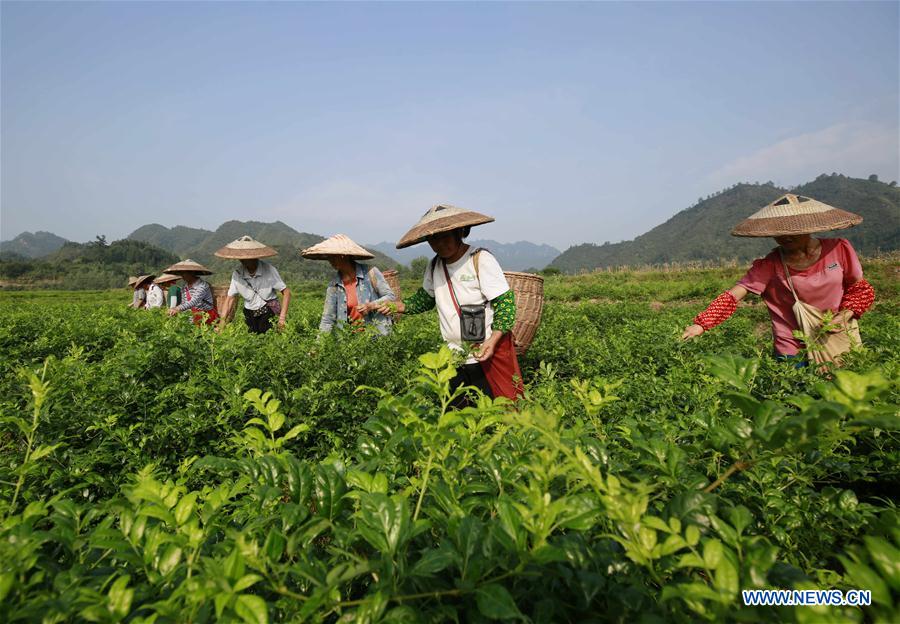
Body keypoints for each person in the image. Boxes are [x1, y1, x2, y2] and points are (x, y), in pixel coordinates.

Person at [682, 194, 875, 363]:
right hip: (792, 348)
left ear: (808, 227)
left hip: (834, 336)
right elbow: (735, 294)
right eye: (777, 232)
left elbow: (860, 289)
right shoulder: (770, 264)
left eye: (790, 230)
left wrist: (844, 316)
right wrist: (702, 324)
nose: (783, 236)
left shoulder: (838, 249)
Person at [377, 204, 523, 401]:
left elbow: (505, 303)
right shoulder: (434, 265)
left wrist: (493, 339)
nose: (439, 244)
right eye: (433, 239)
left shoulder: (479, 259)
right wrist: (395, 306)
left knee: (497, 408)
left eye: (444, 237)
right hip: (454, 356)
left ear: (459, 232)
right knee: (459, 411)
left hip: (486, 352)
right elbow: (424, 300)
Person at [301, 234, 395, 335]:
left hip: (378, 336)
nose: (330, 260)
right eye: (329, 257)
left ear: (344, 256)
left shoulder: (370, 272)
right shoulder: (334, 286)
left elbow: (391, 297)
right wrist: (318, 346)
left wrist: (371, 306)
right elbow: (327, 319)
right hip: (351, 343)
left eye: (334, 256)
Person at [214, 236, 292, 334]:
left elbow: (286, 292)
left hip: (268, 310)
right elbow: (230, 299)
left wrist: (282, 318)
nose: (243, 260)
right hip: (249, 313)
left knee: (268, 339)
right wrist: (222, 322)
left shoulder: (268, 269)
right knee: (252, 340)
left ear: (255, 257)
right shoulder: (237, 274)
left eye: (247, 257)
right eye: (241, 258)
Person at [163, 259, 219, 326]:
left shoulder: (203, 285)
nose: (182, 276)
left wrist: (178, 308)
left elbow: (194, 301)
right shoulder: (185, 287)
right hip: (193, 316)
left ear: (192, 273)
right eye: (181, 273)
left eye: (184, 273)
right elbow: (184, 303)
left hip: (206, 316)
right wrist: (176, 311)